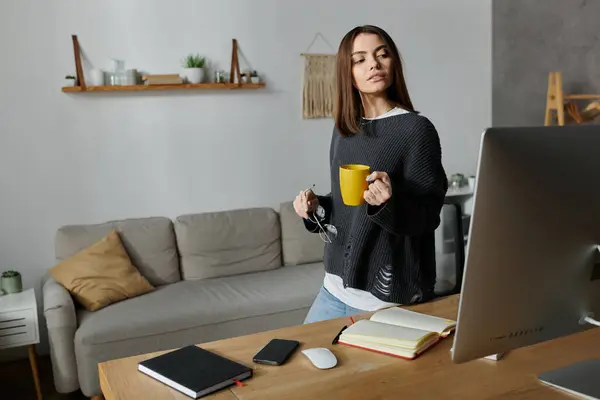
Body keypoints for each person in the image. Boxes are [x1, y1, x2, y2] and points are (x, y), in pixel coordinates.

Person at [293, 25, 448, 324]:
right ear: (346, 72)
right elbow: (344, 206)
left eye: (382, 55)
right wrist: (316, 208)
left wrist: (387, 203)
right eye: (360, 59)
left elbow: (429, 216)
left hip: (386, 301)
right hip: (333, 289)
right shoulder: (344, 131)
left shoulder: (416, 130)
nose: (374, 64)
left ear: (393, 64)